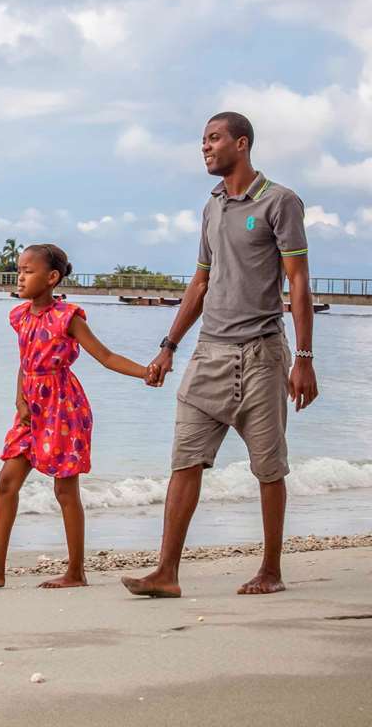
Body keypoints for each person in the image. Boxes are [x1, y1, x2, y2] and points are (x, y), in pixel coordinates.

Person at [122, 112, 318, 599]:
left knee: (268, 467)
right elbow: (201, 280)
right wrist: (168, 346)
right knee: (185, 460)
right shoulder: (211, 207)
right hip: (209, 352)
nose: (205, 148)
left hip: (262, 355)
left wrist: (305, 357)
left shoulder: (280, 201)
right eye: (203, 140)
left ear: (242, 143)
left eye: (214, 139)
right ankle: (166, 572)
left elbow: (297, 282)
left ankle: (270, 569)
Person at [0, 244, 154, 589]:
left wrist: (146, 372)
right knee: (6, 481)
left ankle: (76, 572)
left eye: (28, 271)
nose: (20, 276)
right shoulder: (19, 316)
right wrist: (19, 401)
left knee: (65, 490)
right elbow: (25, 362)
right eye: (18, 270)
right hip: (30, 409)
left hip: (63, 408)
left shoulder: (68, 317)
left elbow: (106, 356)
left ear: (51, 278)